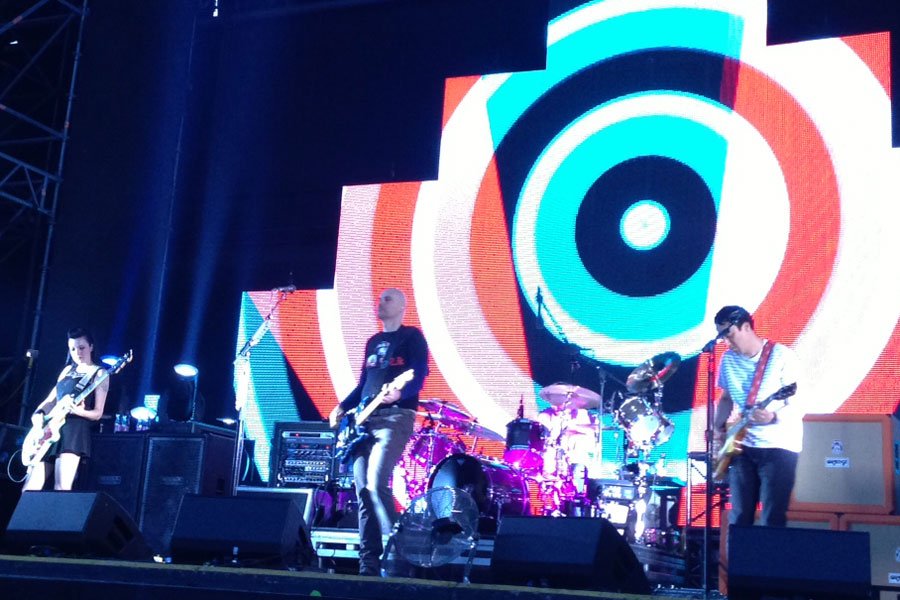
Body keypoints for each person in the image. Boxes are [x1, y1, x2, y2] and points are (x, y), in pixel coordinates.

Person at [329, 288, 429, 576]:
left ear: (402, 306)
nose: (380, 302)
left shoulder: (412, 337)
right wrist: (342, 406)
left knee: (375, 483)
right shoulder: (373, 342)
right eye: (380, 298)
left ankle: (400, 555)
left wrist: (400, 393)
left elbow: (419, 373)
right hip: (364, 421)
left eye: (388, 299)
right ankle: (368, 564)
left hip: (396, 417)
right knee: (363, 491)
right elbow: (364, 383)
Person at [712, 306, 804, 527]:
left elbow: (799, 402)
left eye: (729, 334)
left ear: (746, 327)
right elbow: (726, 398)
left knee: (772, 517)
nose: (726, 341)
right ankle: (738, 551)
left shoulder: (782, 356)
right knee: (739, 517)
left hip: (778, 446)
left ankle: (771, 552)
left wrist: (772, 416)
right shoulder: (728, 360)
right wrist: (717, 429)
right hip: (743, 446)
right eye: (722, 336)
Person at [23, 327, 109, 492]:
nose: (78, 353)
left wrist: (77, 411)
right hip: (50, 429)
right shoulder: (67, 370)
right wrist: (38, 414)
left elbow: (97, 413)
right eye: (73, 349)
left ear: (91, 346)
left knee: (61, 487)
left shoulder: (99, 373)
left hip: (74, 431)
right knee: (29, 488)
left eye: (81, 347)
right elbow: (50, 400)